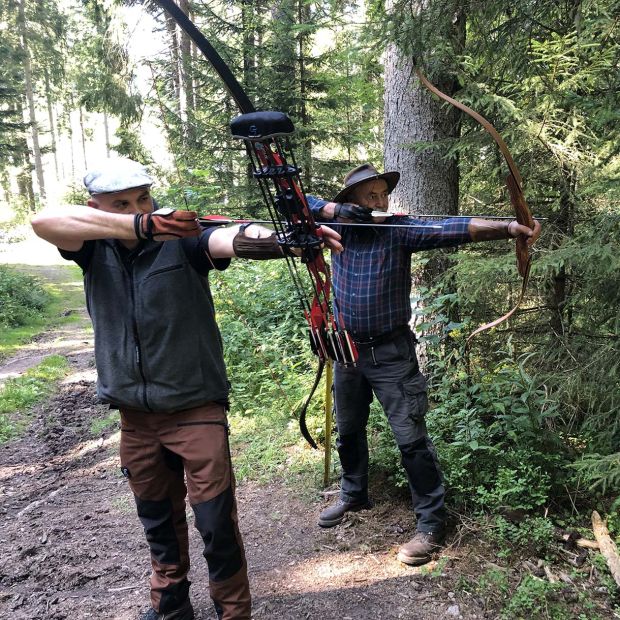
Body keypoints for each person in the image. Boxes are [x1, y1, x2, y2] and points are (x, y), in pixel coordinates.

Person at [30, 157, 342, 620]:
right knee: (158, 521)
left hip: (196, 410)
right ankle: (171, 605)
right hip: (135, 417)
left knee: (215, 522)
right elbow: (43, 220)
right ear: (97, 207)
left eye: (144, 198)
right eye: (122, 203)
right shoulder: (92, 247)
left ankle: (233, 612)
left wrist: (284, 239)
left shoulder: (185, 239)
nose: (140, 207)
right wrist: (137, 224)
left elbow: (230, 237)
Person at [307, 163, 541, 566]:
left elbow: (450, 229)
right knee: (347, 430)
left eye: (383, 194)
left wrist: (508, 228)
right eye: (370, 196)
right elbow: (291, 205)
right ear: (350, 202)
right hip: (346, 351)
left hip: (391, 354)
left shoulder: (397, 230)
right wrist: (330, 212)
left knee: (411, 440)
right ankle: (354, 493)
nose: (380, 202)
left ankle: (431, 523)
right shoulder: (336, 229)